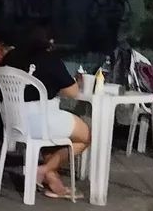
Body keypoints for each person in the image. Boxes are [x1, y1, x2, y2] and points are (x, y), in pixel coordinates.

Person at [5, 24, 91, 198]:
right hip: (40, 120)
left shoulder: (10, 56)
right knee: (86, 136)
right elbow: (73, 93)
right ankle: (42, 170)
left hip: (13, 120)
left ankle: (52, 181)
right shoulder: (50, 59)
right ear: (50, 41)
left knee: (51, 141)